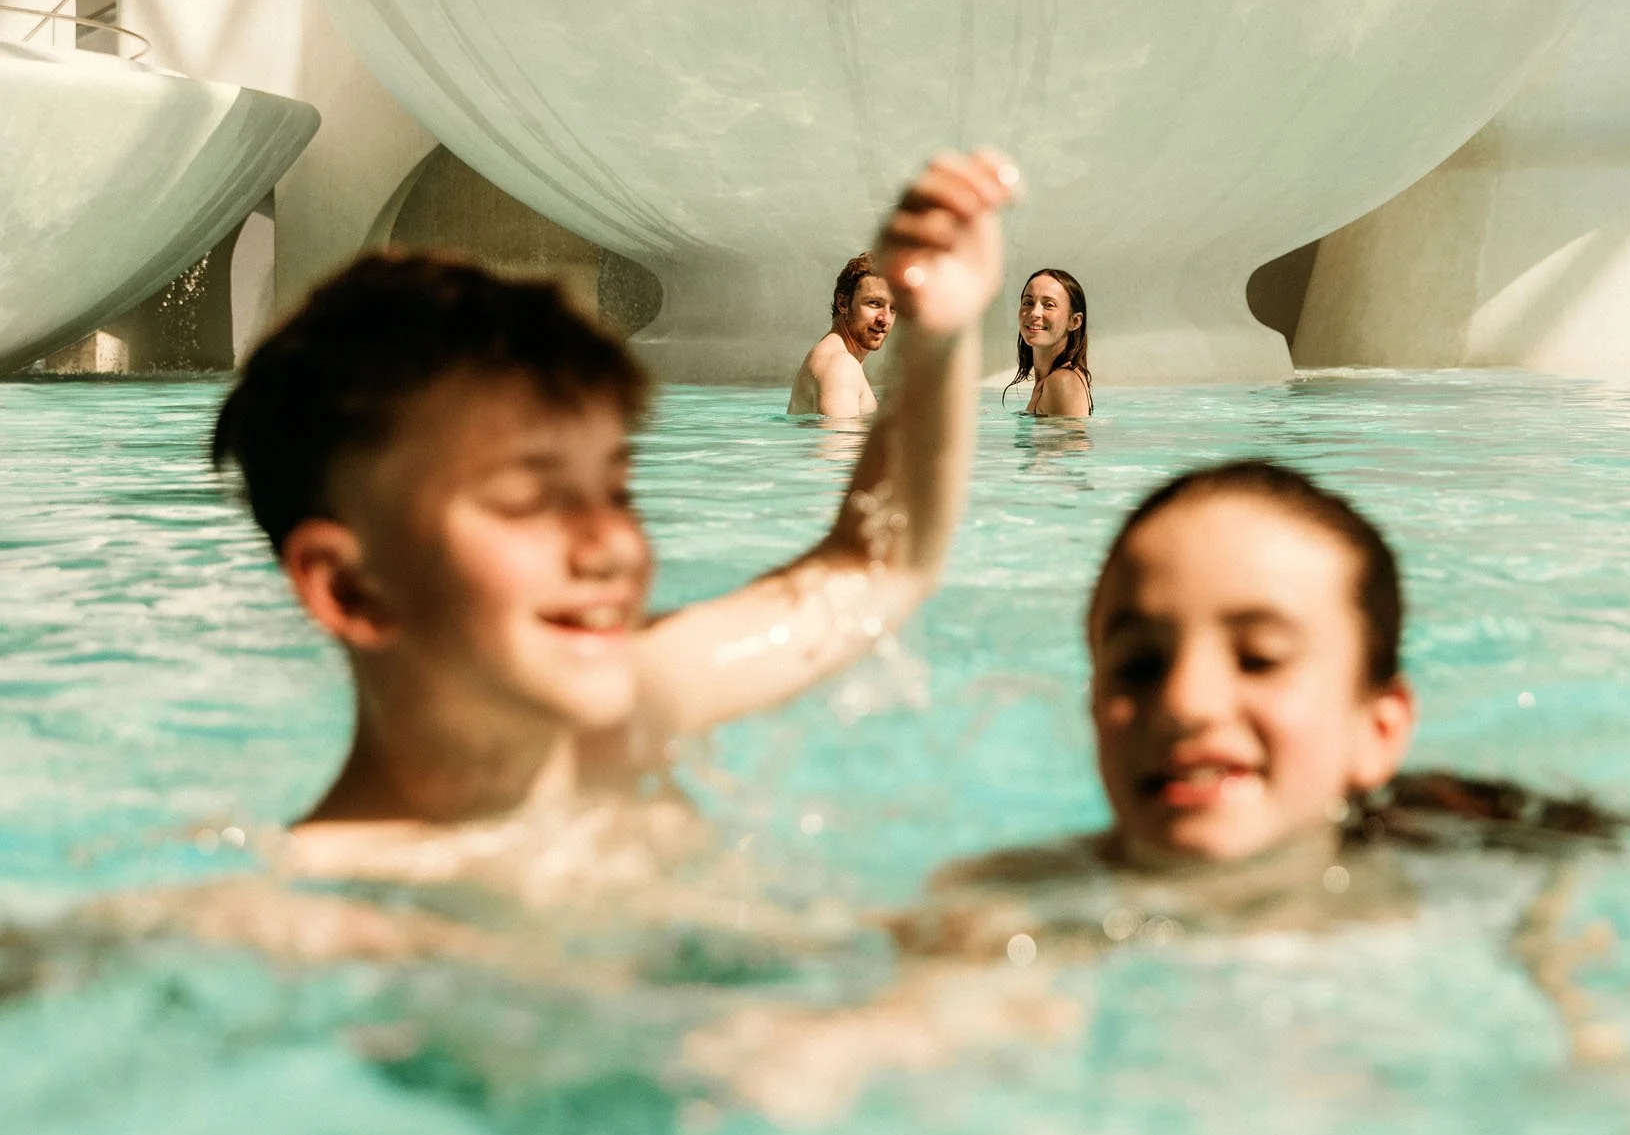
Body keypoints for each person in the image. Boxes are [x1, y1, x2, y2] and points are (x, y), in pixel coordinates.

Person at [179, 150, 1014, 903]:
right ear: (351, 585)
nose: (611, 545)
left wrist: (937, 337)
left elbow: (880, 564)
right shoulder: (301, 912)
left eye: (614, 490)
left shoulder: (634, 707)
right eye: (530, 501)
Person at [686, 461, 1630, 1120]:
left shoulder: (1503, 889)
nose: (1186, 700)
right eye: (1138, 664)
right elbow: (891, 1024)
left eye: (1259, 657)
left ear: (1378, 727)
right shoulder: (1018, 904)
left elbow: (1615, 1079)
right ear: (1095, 703)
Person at [789, 253, 896, 418]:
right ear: (843, 304)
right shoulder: (840, 366)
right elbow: (840, 441)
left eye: (893, 308)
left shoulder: (838, 360)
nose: (885, 319)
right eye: (874, 303)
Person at [1004, 268, 1091, 417]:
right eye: (1028, 302)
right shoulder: (1051, 381)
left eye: (1049, 305)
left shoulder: (1061, 382)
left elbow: (1070, 440)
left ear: (1074, 321)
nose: (1034, 313)